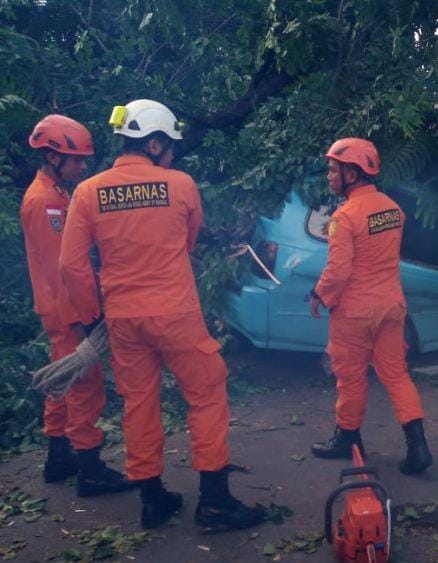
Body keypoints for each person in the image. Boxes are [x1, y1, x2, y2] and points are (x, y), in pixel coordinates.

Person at [59, 99, 265, 532]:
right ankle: (213, 502)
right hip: (175, 312)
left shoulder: (87, 191)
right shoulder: (181, 185)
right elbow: (187, 242)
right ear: (154, 144)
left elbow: (72, 265)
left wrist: (90, 314)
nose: (172, 153)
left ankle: (152, 499)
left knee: (139, 403)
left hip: (122, 318)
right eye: (169, 144)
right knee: (207, 392)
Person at [21, 115, 135, 496]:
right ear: (53, 157)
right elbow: (64, 267)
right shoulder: (45, 202)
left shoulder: (55, 193)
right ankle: (89, 467)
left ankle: (58, 458)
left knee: (62, 379)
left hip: (57, 305)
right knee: (84, 386)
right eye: (77, 160)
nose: (84, 166)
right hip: (66, 308)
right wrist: (87, 315)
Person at [309, 137, 433, 475]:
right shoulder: (393, 210)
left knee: (350, 379)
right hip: (391, 306)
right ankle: (418, 445)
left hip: (355, 313)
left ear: (353, 173)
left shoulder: (344, 217)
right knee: (395, 375)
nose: (329, 176)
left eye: (334, 170)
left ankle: (347, 438)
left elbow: (338, 271)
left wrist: (320, 295)